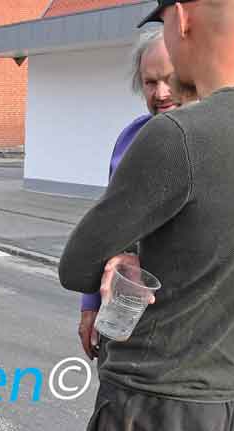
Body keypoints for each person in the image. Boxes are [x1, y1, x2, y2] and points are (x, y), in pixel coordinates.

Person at [59, 1, 234, 431]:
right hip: (225, 403)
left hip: (152, 407)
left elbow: (76, 262)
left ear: (184, 18)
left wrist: (116, 258)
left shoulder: (176, 136)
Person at [77, 30, 179, 360]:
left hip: (178, 328)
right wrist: (90, 304)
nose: (161, 93)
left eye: (170, 79)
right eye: (150, 83)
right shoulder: (131, 136)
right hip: (120, 315)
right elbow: (106, 228)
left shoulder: (212, 142)